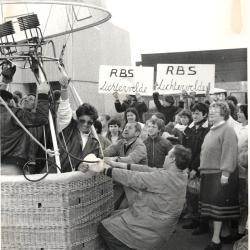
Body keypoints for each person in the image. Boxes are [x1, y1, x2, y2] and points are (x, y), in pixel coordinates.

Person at [89, 145, 192, 250]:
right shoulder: (180, 175)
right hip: (160, 228)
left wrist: (105, 170)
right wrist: (118, 164)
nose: (165, 156)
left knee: (104, 228)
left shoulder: (165, 178)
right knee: (115, 215)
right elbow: (148, 170)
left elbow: (133, 178)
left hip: (149, 231)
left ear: (172, 159)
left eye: (168, 154)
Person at [199, 101, 239, 250]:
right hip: (209, 174)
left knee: (218, 209)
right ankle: (225, 235)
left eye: (215, 111)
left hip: (219, 175)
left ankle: (216, 241)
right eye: (210, 110)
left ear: (224, 113)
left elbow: (229, 152)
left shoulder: (227, 130)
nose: (211, 113)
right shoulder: (212, 130)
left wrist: (226, 174)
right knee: (214, 209)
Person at [0, 81, 50, 175]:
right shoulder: (16, 114)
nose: (26, 99)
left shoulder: (16, 115)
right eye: (25, 98)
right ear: (10, 101)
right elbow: (41, 118)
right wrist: (43, 94)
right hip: (13, 166)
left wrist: (5, 81)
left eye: (30, 99)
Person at [57, 76, 101, 172]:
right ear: (77, 119)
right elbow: (64, 111)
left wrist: (82, 166)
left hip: (76, 183)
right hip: (56, 177)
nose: (85, 124)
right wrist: (64, 89)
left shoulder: (94, 143)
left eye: (89, 123)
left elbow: (94, 164)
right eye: (82, 121)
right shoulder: (67, 128)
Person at [182, 103, 210, 235]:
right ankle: (194, 219)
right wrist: (186, 166)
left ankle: (203, 224)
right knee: (192, 194)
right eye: (193, 113)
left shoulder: (207, 129)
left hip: (201, 167)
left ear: (205, 114)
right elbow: (185, 149)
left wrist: (194, 168)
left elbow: (202, 151)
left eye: (198, 113)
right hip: (190, 167)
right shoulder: (190, 128)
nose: (194, 115)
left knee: (201, 196)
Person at [236, 105, 248, 240]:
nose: (238, 114)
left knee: (245, 201)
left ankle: (242, 229)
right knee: (239, 200)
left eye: (241, 112)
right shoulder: (237, 126)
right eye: (238, 111)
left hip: (245, 171)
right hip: (235, 169)